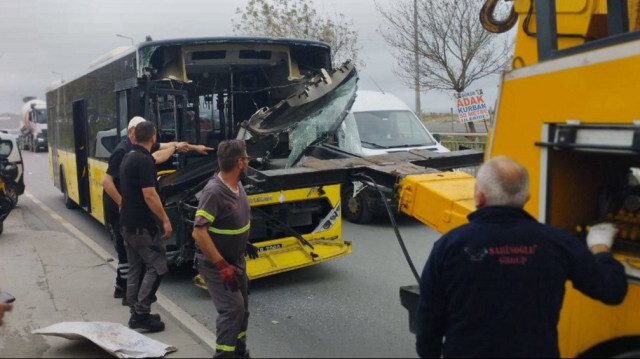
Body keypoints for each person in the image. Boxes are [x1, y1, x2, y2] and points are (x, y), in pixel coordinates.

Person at [415, 156, 628, 358]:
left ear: (479, 197)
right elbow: (612, 290)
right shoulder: (557, 243)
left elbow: (429, 318)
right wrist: (600, 248)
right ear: (526, 197)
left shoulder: (450, 246)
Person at [101, 116, 212, 304]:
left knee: (135, 262)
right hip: (123, 212)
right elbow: (113, 184)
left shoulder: (134, 154)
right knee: (148, 263)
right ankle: (135, 302)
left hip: (129, 216)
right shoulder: (124, 153)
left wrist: (193, 148)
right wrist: (124, 204)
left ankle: (131, 300)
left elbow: (166, 149)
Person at [191, 139, 259, 358]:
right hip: (217, 264)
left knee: (243, 310)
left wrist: (243, 242)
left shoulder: (237, 185)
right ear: (240, 162)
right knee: (232, 310)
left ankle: (239, 351)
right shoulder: (214, 192)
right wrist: (221, 266)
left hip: (236, 259)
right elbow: (199, 232)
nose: (248, 162)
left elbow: (229, 222)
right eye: (246, 158)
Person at [119, 121, 173, 332]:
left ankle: (135, 309)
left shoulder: (128, 157)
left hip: (127, 223)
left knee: (135, 267)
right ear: (153, 137)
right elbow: (149, 194)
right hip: (142, 225)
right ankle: (142, 313)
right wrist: (165, 220)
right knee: (157, 266)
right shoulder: (144, 161)